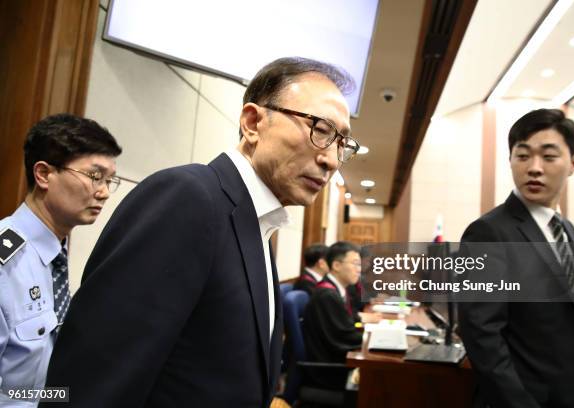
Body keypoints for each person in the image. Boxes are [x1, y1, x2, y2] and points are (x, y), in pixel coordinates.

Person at [43, 57, 360, 407]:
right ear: (253, 122)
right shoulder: (188, 198)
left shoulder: (256, 224)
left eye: (341, 143)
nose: (331, 159)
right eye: (320, 129)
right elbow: (93, 381)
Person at [458, 108, 574, 408]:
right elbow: (482, 338)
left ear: (573, 163)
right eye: (523, 155)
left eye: (549, 156)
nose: (534, 168)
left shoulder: (566, 229)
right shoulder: (488, 232)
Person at [0, 113, 122, 405]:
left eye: (109, 180)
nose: (104, 192)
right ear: (43, 174)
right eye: (94, 176)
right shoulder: (6, 262)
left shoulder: (55, 254)